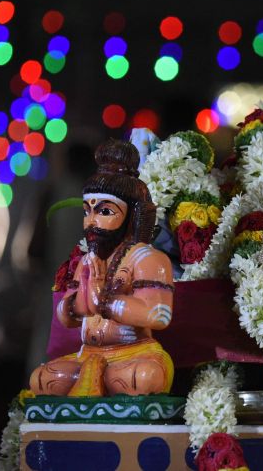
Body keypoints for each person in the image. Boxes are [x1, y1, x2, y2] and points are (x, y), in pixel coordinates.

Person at [29, 140, 174, 396]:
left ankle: (97, 379)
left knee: (142, 378)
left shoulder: (147, 258)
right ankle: (94, 376)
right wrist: (79, 303)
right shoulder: (88, 260)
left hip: (134, 354)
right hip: (89, 354)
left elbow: (158, 315)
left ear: (132, 215)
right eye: (87, 211)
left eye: (105, 211)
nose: (91, 222)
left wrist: (104, 302)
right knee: (41, 380)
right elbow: (65, 317)